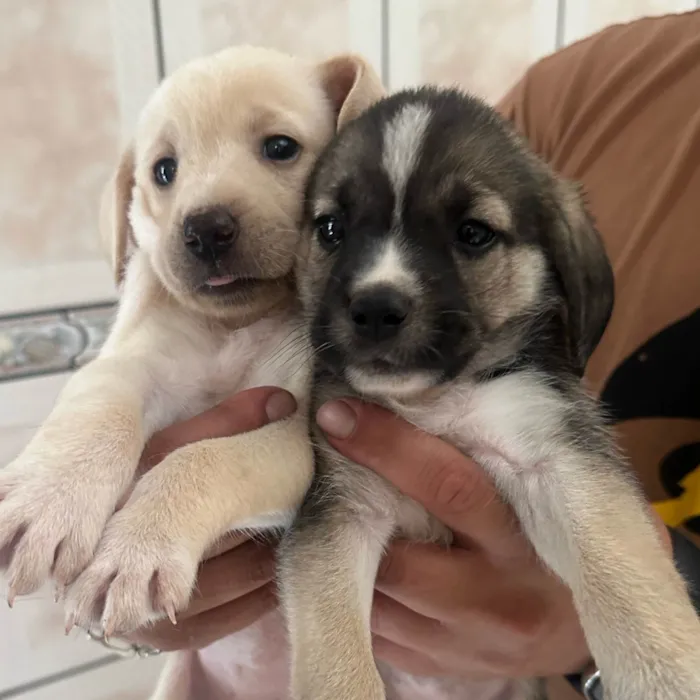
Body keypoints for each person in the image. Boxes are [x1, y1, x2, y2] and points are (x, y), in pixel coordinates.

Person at [125, 9, 700, 700]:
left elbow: (581, 498)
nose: (379, 286)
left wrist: (624, 658)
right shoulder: (590, 89)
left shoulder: (519, 395)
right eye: (334, 228)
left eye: (470, 233)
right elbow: (325, 542)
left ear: (564, 273)